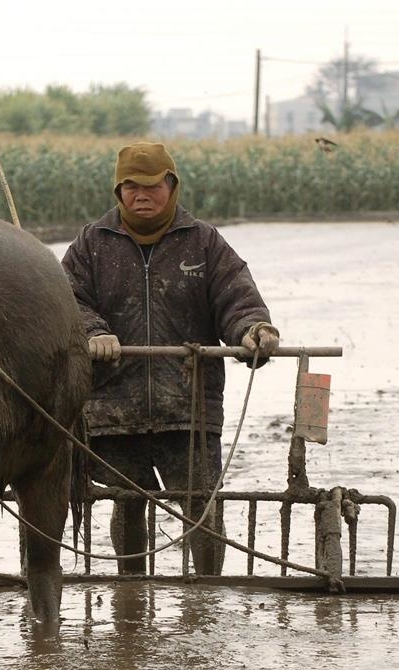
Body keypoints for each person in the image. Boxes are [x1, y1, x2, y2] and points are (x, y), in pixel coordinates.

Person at [61, 141, 279, 575]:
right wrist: (94, 332)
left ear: (172, 186)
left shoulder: (203, 243)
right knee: (127, 504)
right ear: (118, 191)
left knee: (201, 506)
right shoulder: (92, 244)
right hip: (112, 405)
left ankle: (207, 596)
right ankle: (130, 592)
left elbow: (236, 298)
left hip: (188, 406)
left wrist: (253, 330)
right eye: (131, 188)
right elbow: (67, 300)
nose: (141, 196)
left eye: (151, 187)